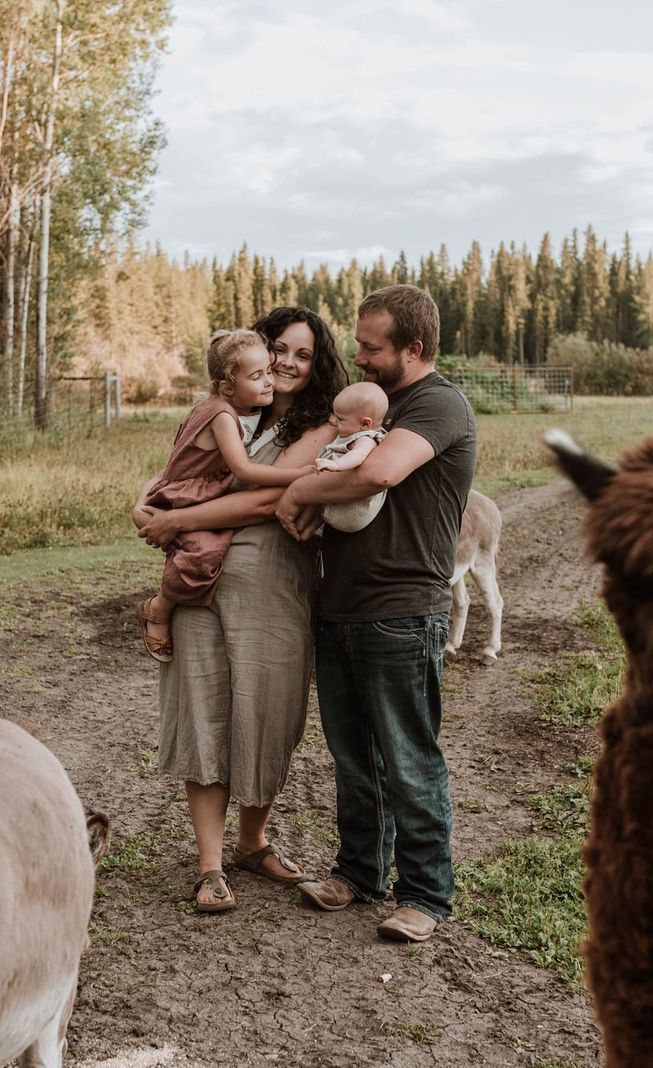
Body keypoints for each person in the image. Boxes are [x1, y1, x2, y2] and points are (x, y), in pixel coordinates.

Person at [275, 284, 476, 943]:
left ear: (412, 350)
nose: (357, 356)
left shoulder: (437, 404)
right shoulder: (369, 406)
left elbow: (378, 474)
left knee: (407, 759)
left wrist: (304, 489)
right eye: (357, 343)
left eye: (371, 347)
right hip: (341, 607)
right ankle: (359, 872)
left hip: (402, 611)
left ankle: (424, 893)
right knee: (353, 757)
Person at [132, 307, 348, 913]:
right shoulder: (229, 413)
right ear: (251, 353)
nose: (286, 363)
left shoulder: (319, 427)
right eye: (278, 348)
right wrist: (146, 503)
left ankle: (252, 842)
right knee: (204, 704)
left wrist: (176, 520)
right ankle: (208, 865)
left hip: (273, 584)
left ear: (317, 366)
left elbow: (261, 501)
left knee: (267, 708)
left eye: (302, 355)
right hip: (203, 578)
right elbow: (176, 471)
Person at [136, 329, 311, 663]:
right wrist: (298, 475)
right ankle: (159, 607)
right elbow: (243, 470)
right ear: (229, 386)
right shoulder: (221, 415)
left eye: (268, 373)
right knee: (202, 552)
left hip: (192, 491)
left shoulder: (223, 408)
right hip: (186, 494)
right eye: (257, 376)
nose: (269, 382)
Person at [313, 381, 390, 533]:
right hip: (336, 501)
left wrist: (336, 465)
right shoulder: (354, 431)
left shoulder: (366, 438)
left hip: (352, 512)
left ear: (365, 423)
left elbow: (358, 455)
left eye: (341, 419)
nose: (335, 422)